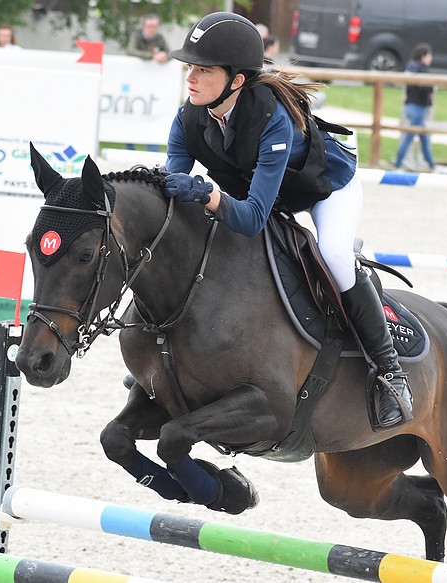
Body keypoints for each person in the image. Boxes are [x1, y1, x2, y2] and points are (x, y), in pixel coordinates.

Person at [163, 12, 412, 429]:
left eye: (203, 69)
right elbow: (175, 190)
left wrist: (207, 194)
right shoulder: (189, 117)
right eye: (190, 66)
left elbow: (253, 217)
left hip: (326, 187)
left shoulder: (271, 118)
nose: (191, 77)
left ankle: (389, 371)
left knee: (333, 254)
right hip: (266, 192)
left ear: (236, 80)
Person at [393, 43, 436, 172]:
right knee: (410, 137)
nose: (430, 58)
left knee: (423, 137)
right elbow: (427, 87)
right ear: (423, 56)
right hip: (418, 107)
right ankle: (397, 165)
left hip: (409, 105)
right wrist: (431, 91)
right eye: (429, 55)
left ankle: (432, 165)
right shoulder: (422, 69)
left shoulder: (410, 68)